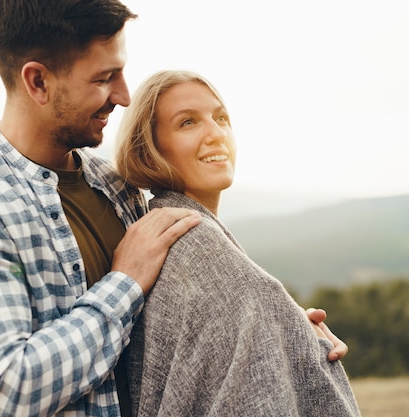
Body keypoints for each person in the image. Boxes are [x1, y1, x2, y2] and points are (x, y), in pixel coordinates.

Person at [0, 2, 202, 416]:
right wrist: (125, 282)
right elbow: (6, 391)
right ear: (38, 81)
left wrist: (284, 327)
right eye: (103, 78)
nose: (124, 95)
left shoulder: (117, 186)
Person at [115, 70, 362, 416]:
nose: (216, 133)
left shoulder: (177, 229)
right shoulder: (192, 242)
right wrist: (273, 316)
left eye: (221, 118)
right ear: (150, 148)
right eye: (188, 122)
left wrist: (289, 326)